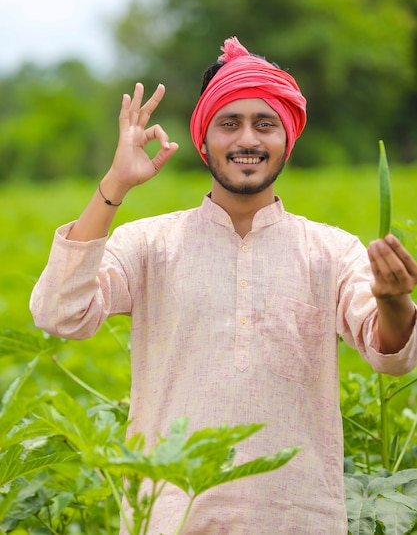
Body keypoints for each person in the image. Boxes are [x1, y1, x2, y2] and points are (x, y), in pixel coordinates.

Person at [30, 37, 417, 535]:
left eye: (265, 124)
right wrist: (115, 185)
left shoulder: (332, 251)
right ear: (204, 139)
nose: (247, 140)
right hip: (172, 517)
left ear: (287, 137)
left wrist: (394, 300)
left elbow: (394, 354)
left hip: (298, 518)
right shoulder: (151, 244)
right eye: (229, 124)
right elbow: (59, 313)